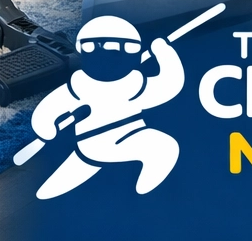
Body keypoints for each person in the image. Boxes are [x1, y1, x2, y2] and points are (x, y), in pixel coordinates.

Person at [30, 16, 183, 199]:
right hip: (98, 142)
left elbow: (169, 86)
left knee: (164, 147)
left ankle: (145, 190)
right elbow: (168, 85)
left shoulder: (131, 84)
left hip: (122, 137)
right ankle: (145, 194)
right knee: (164, 147)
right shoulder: (83, 87)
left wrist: (165, 53)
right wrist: (164, 52)